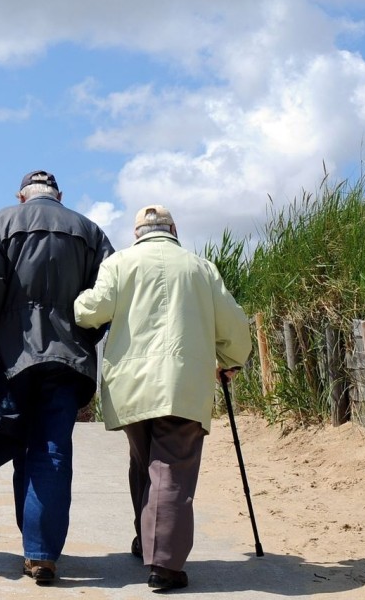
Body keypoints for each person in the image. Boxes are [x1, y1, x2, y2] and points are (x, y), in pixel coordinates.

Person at [73, 204, 252, 592]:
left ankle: (147, 540)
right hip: (183, 385)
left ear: (137, 233)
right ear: (174, 229)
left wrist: (73, 304)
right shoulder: (200, 268)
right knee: (170, 468)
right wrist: (233, 360)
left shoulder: (120, 263)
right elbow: (233, 321)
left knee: (144, 464)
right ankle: (165, 565)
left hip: (130, 387)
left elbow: (91, 311)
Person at [0, 170, 113, 584]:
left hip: (14, 356)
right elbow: (109, 294)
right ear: (59, 196)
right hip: (69, 358)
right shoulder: (90, 230)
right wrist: (88, 335)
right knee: (52, 449)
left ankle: (33, 547)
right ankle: (43, 551)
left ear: (21, 195)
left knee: (21, 446)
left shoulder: (1, 222)